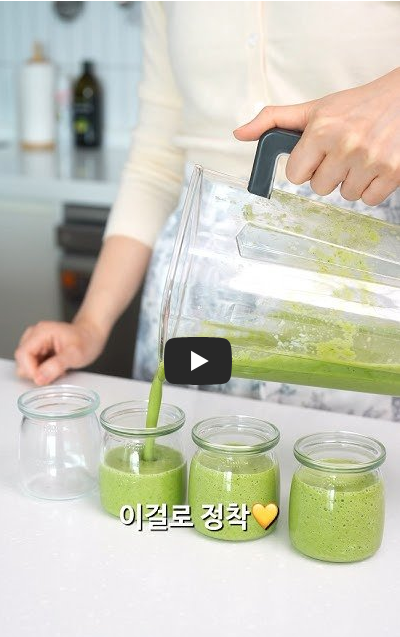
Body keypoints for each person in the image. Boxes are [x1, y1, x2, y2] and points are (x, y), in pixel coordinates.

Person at [14, 1, 400, 419]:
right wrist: (89, 325)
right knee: (185, 447)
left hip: (361, 276)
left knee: (346, 454)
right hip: (196, 289)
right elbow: (155, 162)